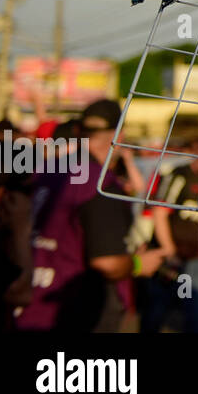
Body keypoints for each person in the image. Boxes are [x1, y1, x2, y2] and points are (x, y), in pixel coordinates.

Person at [16, 99, 166, 332]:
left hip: (29, 302)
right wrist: (138, 264)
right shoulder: (101, 184)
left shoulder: (48, 170)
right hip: (69, 311)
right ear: (120, 135)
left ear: (78, 131)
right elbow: (107, 263)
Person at [144, 133, 198, 332]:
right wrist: (168, 250)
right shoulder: (180, 175)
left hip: (195, 256)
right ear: (197, 152)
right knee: (156, 313)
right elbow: (159, 213)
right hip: (170, 258)